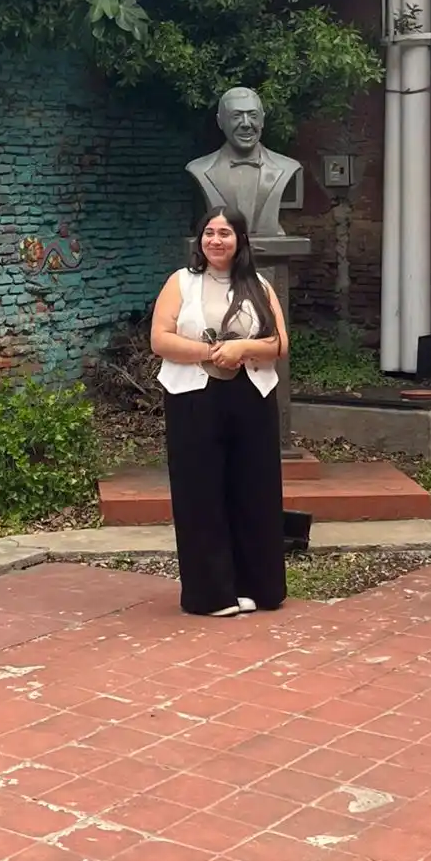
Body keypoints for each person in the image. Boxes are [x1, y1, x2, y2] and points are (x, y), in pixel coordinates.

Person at [150, 207, 288, 617]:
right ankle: (211, 594)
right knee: (200, 492)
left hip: (252, 394)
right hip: (194, 395)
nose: (215, 240)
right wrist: (212, 352)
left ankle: (258, 587)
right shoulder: (181, 282)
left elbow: (279, 343)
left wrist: (242, 349)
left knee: (254, 491)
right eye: (208, 232)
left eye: (224, 233)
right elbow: (160, 339)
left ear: (240, 240)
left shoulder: (259, 285)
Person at [185, 86, 303, 238]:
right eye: (236, 116)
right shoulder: (199, 169)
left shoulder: (287, 167)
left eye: (253, 115)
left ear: (262, 120)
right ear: (220, 122)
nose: (246, 124)